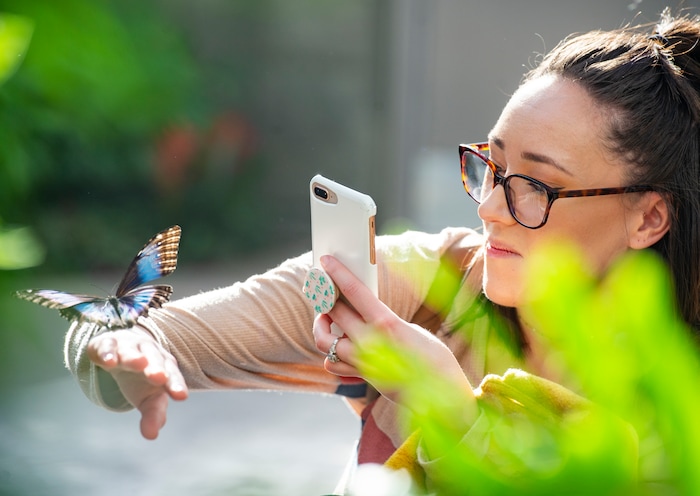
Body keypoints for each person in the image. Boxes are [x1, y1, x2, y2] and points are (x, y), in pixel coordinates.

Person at [64, 8, 700, 494]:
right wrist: (127, 348)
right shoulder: (437, 284)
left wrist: (452, 410)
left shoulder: (675, 400)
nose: (488, 208)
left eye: (534, 186)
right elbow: (151, 336)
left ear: (648, 217)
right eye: (491, 166)